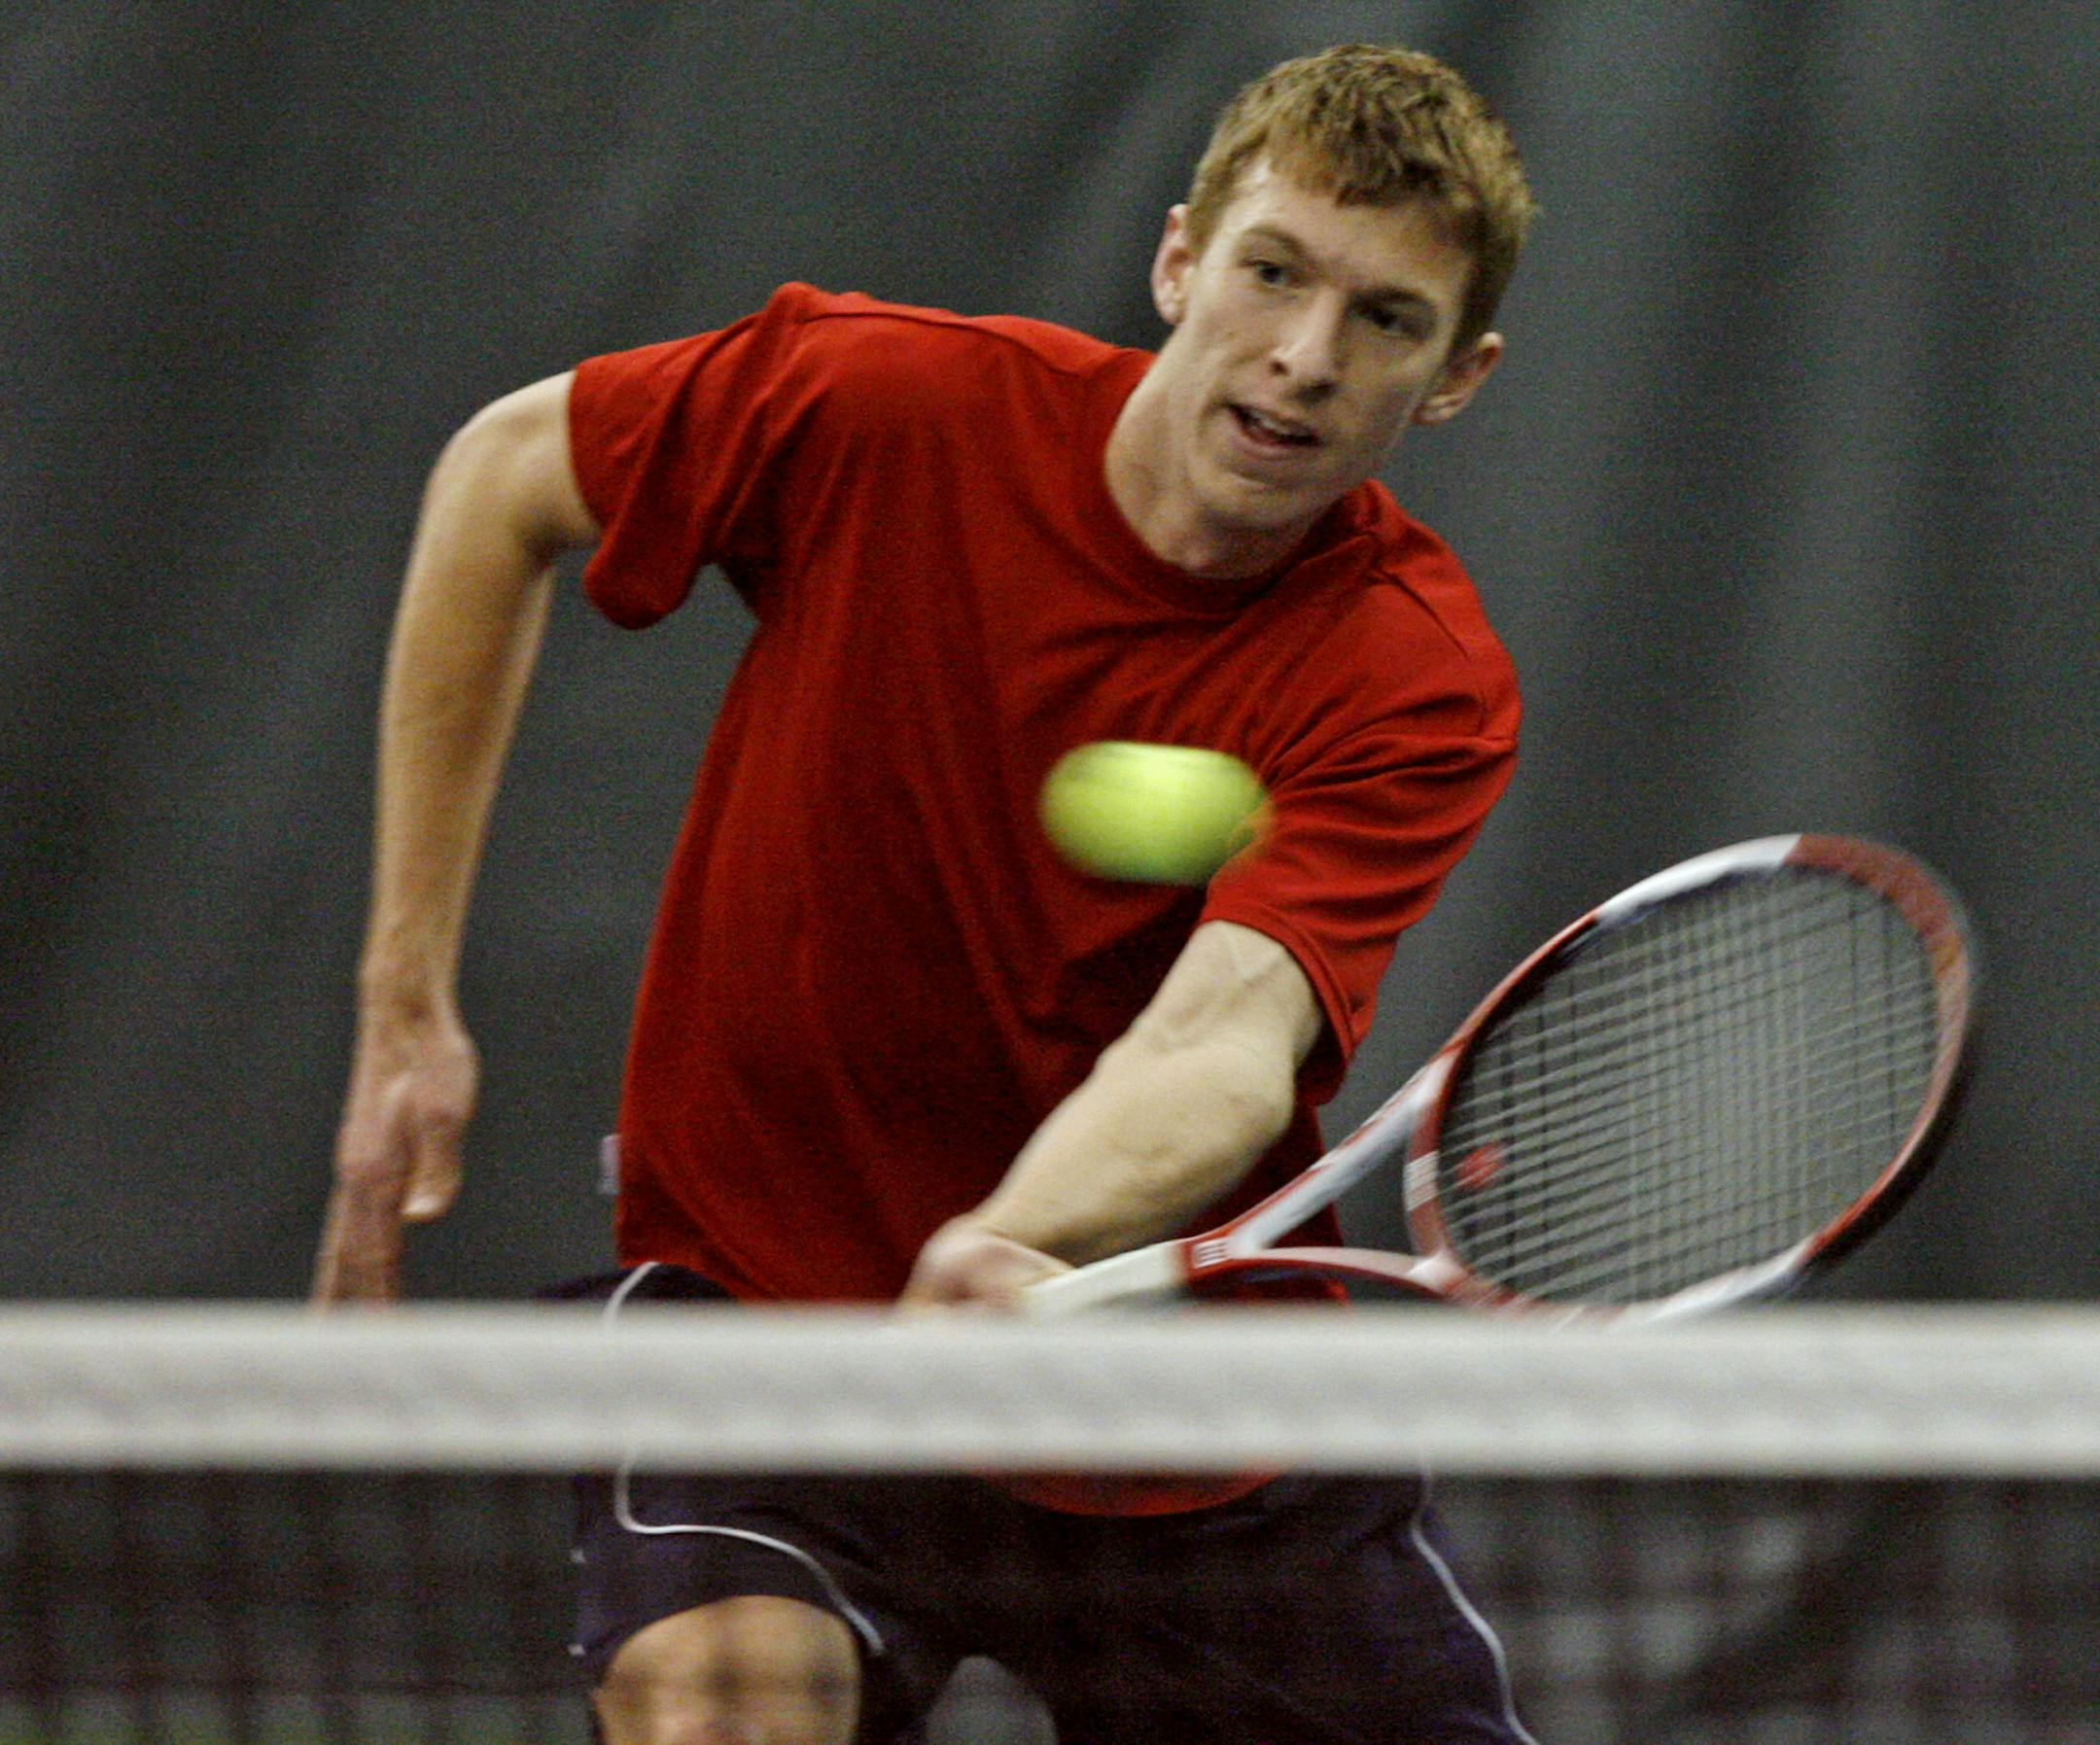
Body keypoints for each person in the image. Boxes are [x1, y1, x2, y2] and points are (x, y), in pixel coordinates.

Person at [315, 40, 1540, 1745]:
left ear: (1457, 374)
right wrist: (404, 999)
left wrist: (1018, 1234)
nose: (1304, 356)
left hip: (1162, 1404)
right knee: (722, 1714)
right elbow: (504, 478)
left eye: (1384, 321)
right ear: (1183, 257)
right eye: (1274, 273)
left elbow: (1223, 1038)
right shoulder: (877, 404)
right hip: (772, 1327)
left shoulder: (1412, 672)